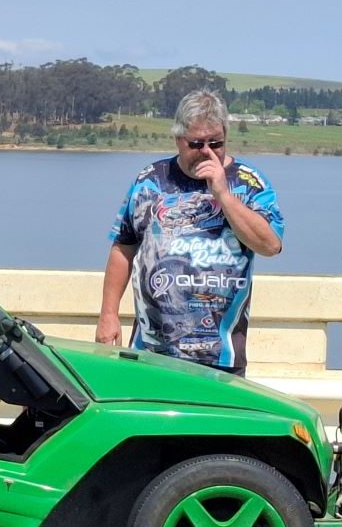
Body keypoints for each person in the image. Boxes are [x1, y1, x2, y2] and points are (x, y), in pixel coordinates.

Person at [95, 89, 284, 377]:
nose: (207, 151)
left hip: (221, 355)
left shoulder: (249, 182)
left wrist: (222, 194)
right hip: (152, 351)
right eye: (196, 143)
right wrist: (109, 315)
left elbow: (270, 245)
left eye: (216, 143)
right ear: (178, 139)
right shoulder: (150, 181)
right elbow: (123, 247)